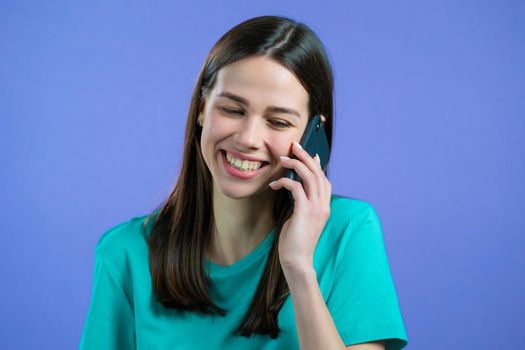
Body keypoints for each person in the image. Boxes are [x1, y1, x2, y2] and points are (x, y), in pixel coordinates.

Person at [79, 15, 408, 350]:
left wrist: (298, 267)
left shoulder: (348, 232)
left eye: (278, 121)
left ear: (313, 134)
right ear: (203, 108)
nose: (248, 138)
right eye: (233, 110)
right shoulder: (125, 254)